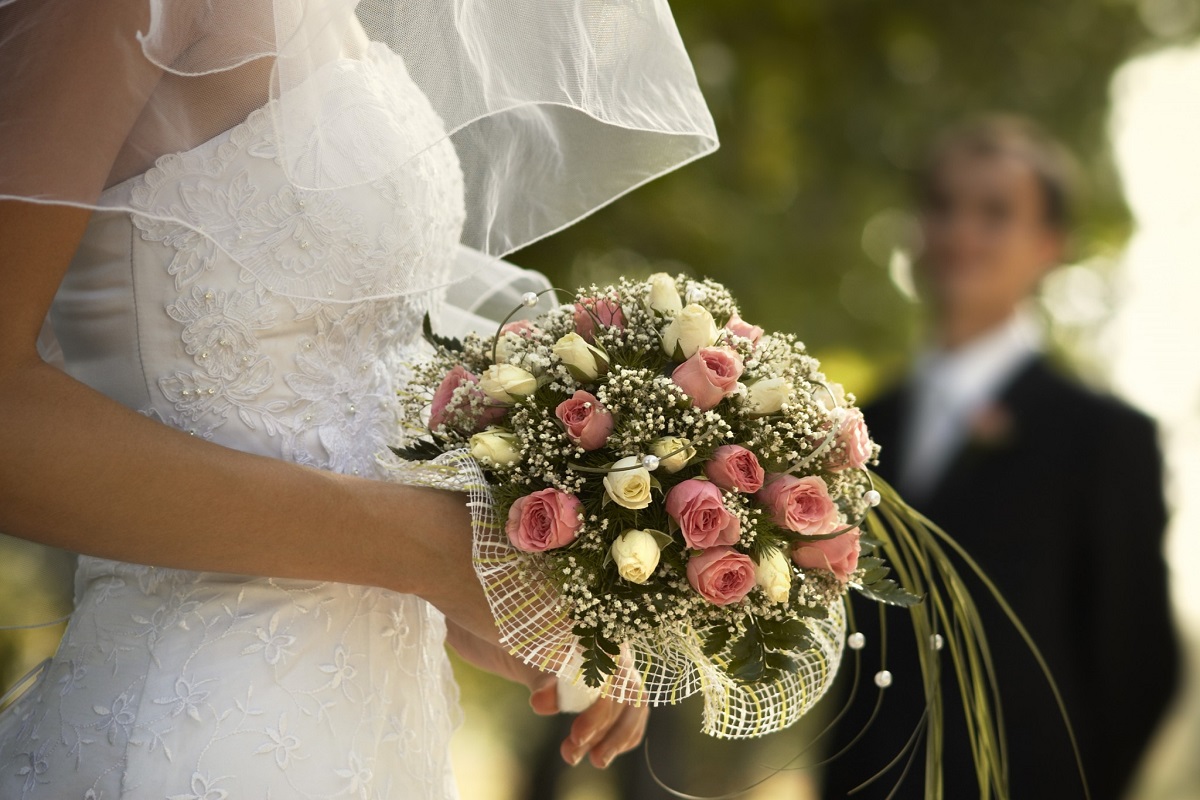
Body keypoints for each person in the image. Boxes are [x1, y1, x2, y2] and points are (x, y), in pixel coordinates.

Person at [0, 0, 718, 796]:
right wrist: (434, 554)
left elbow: (326, 399)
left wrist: (470, 595)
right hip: (196, 734)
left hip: (376, 724)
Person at [822, 115, 1180, 799]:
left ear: (1050, 244)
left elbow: (1139, 667)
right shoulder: (859, 425)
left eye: (995, 212)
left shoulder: (1105, 438)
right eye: (943, 206)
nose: (961, 232)